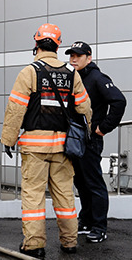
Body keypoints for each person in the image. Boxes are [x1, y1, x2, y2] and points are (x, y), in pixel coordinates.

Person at [2, 24, 92, 259]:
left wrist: (8, 139)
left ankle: (34, 245)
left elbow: (15, 110)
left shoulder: (29, 72)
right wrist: (87, 135)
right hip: (63, 147)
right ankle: (70, 242)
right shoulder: (72, 74)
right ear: (58, 45)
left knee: (33, 197)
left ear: (37, 44)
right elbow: (85, 108)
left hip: (34, 146)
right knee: (65, 197)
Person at [65, 41, 126, 243]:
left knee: (94, 183)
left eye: (78, 56)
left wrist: (103, 128)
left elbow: (119, 101)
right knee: (80, 182)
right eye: (71, 55)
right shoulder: (74, 78)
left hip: (90, 140)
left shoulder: (97, 78)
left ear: (88, 58)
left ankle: (99, 226)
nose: (74, 59)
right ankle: (86, 220)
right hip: (75, 140)